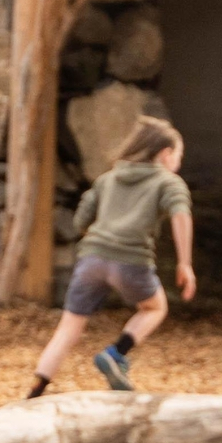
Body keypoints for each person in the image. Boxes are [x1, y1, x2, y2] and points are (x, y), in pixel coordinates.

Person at [25, 118, 196, 396]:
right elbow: (181, 215)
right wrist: (185, 263)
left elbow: (81, 220)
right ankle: (116, 354)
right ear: (166, 154)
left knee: (69, 327)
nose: (178, 162)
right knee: (155, 308)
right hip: (131, 260)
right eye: (179, 155)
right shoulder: (169, 182)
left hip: (91, 259)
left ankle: (36, 388)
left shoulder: (107, 179)